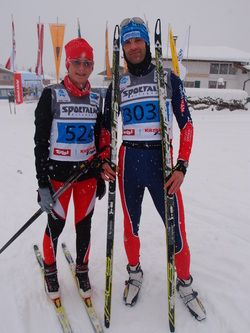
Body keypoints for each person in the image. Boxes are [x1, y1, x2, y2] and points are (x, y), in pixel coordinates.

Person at [102, 18, 206, 321]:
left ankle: (184, 282)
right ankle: (134, 272)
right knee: (129, 226)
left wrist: (182, 165)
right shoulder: (117, 85)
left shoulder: (169, 79)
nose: (133, 47)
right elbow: (108, 128)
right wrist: (106, 157)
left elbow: (186, 125)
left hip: (161, 164)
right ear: (123, 48)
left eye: (138, 41)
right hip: (129, 163)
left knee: (176, 231)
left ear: (147, 44)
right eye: (128, 43)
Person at [34, 38, 110, 300]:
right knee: (56, 226)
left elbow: (99, 139)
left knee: (84, 226)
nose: (81, 67)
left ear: (91, 66)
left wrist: (100, 174)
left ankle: (82, 269)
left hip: (86, 176)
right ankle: (51, 269)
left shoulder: (97, 98)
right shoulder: (51, 94)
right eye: (76, 62)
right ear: (67, 64)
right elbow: (41, 142)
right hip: (58, 178)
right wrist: (42, 183)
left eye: (87, 63)